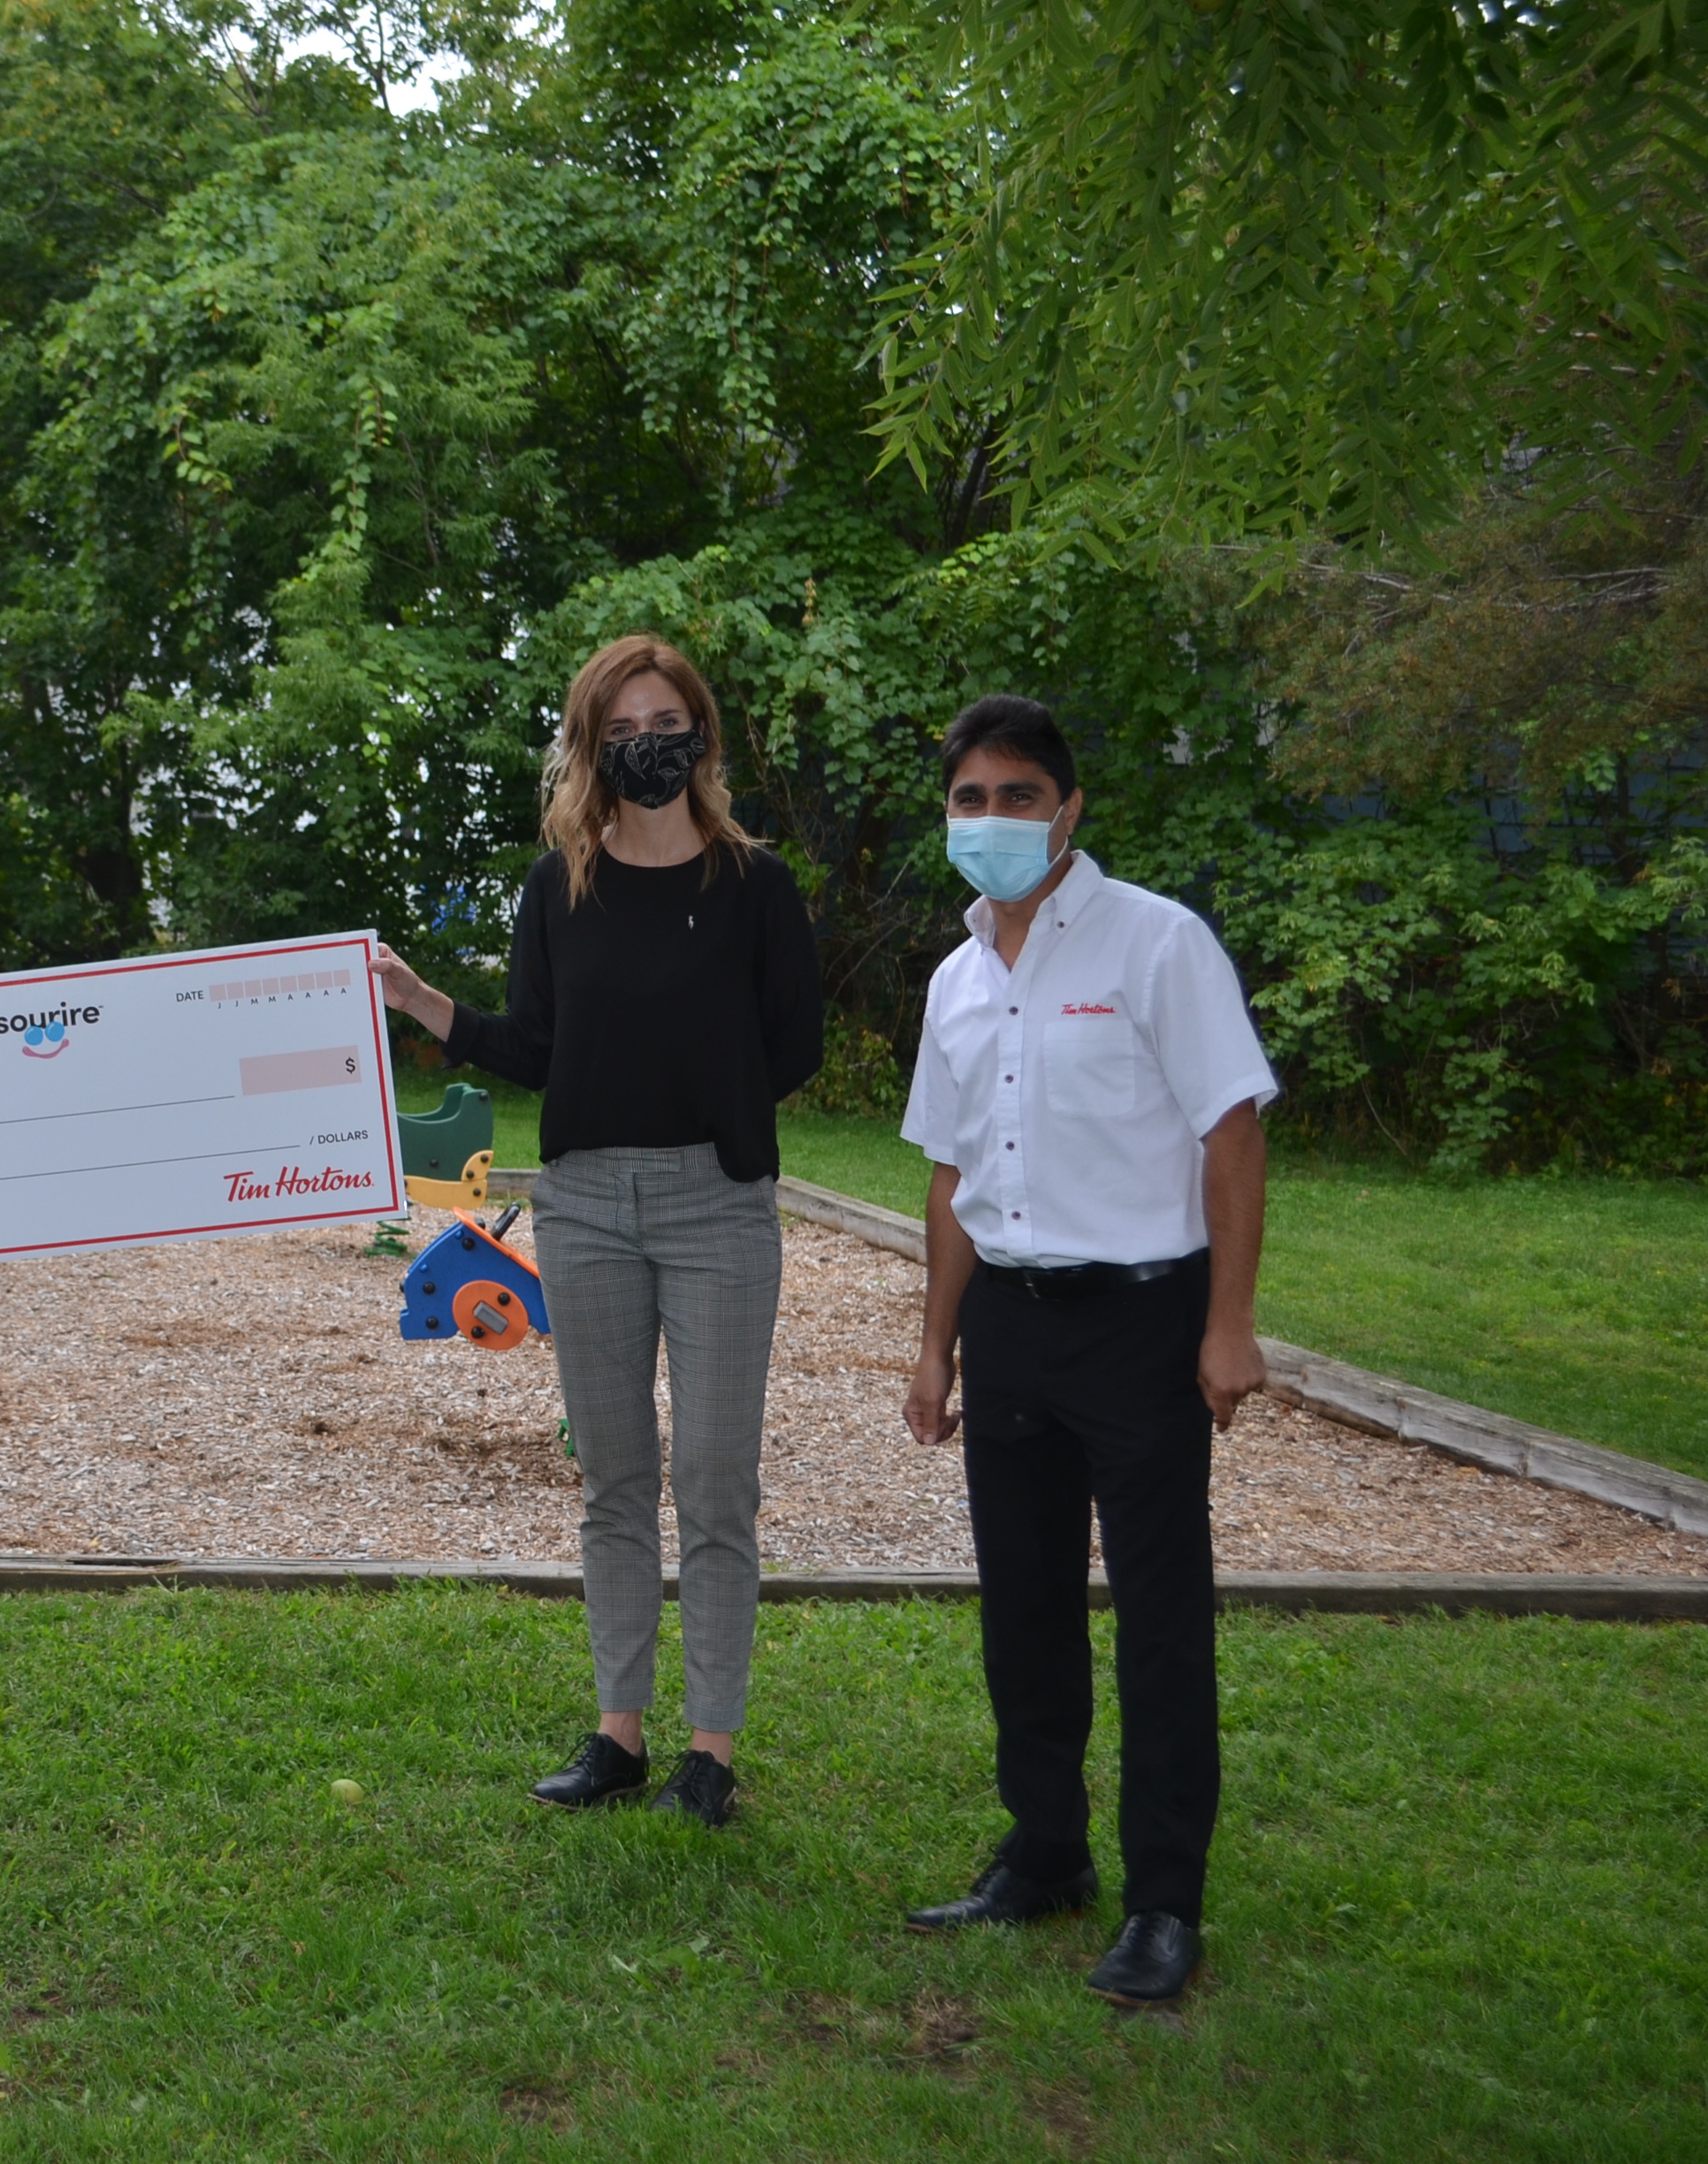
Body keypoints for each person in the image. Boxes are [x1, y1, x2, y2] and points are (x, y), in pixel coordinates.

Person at [373, 635, 821, 1828]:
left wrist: (712, 1102)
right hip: (585, 1209)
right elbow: (534, 1045)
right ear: (589, 744)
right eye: (621, 729)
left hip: (718, 1207)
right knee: (614, 1479)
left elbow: (795, 1042)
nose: (646, 745)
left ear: (701, 734)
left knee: (715, 1480)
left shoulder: (755, 884)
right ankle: (620, 1735)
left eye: (665, 723)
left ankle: (711, 1751)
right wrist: (423, 1003)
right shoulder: (558, 885)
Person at [896, 695, 1277, 2009]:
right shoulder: (955, 981)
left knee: (1161, 1618)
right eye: (970, 799)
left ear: (1069, 809)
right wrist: (936, 1348)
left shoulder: (1158, 944)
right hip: (1009, 1325)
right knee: (1026, 1606)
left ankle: (1164, 1902)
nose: (992, 819)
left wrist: (1229, 1324)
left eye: (1018, 796)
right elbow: (950, 1178)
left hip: (1142, 1324)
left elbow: (1232, 1135)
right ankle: (1045, 1852)